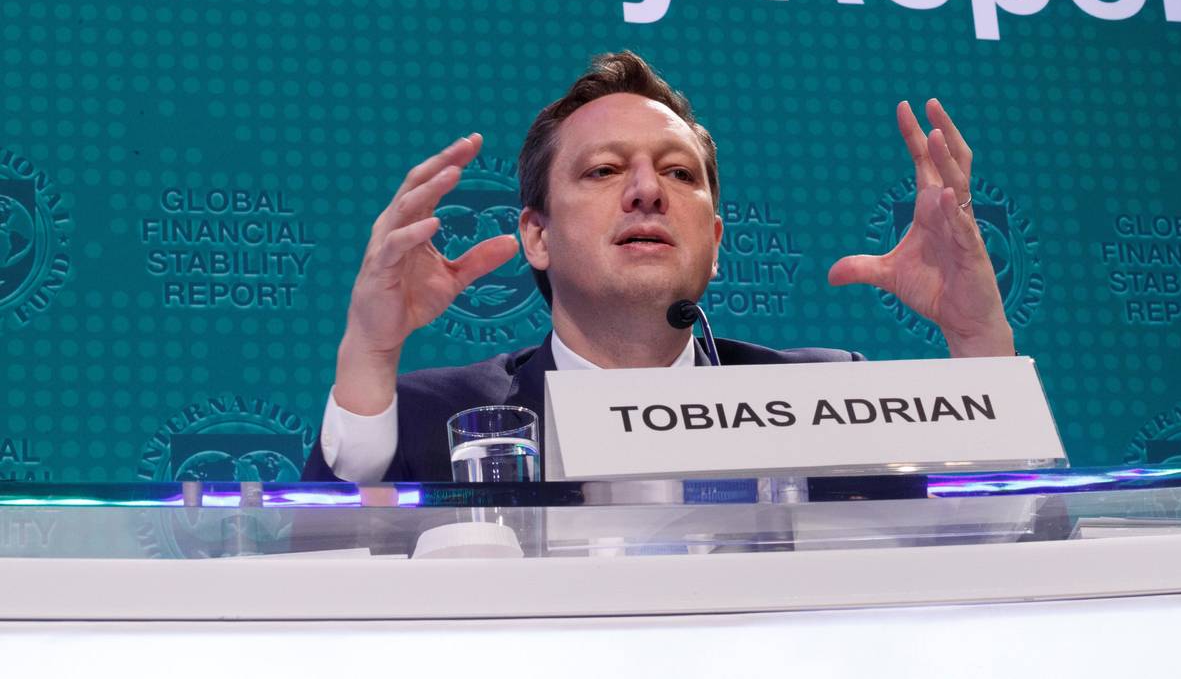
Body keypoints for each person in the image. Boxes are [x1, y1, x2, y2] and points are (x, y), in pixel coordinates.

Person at [301, 51, 1014, 483]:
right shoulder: (439, 419)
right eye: (604, 170)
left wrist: (977, 339)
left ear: (715, 239)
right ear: (537, 236)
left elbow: (995, 551)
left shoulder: (824, 397)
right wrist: (369, 353)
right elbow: (317, 579)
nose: (647, 190)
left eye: (678, 172)